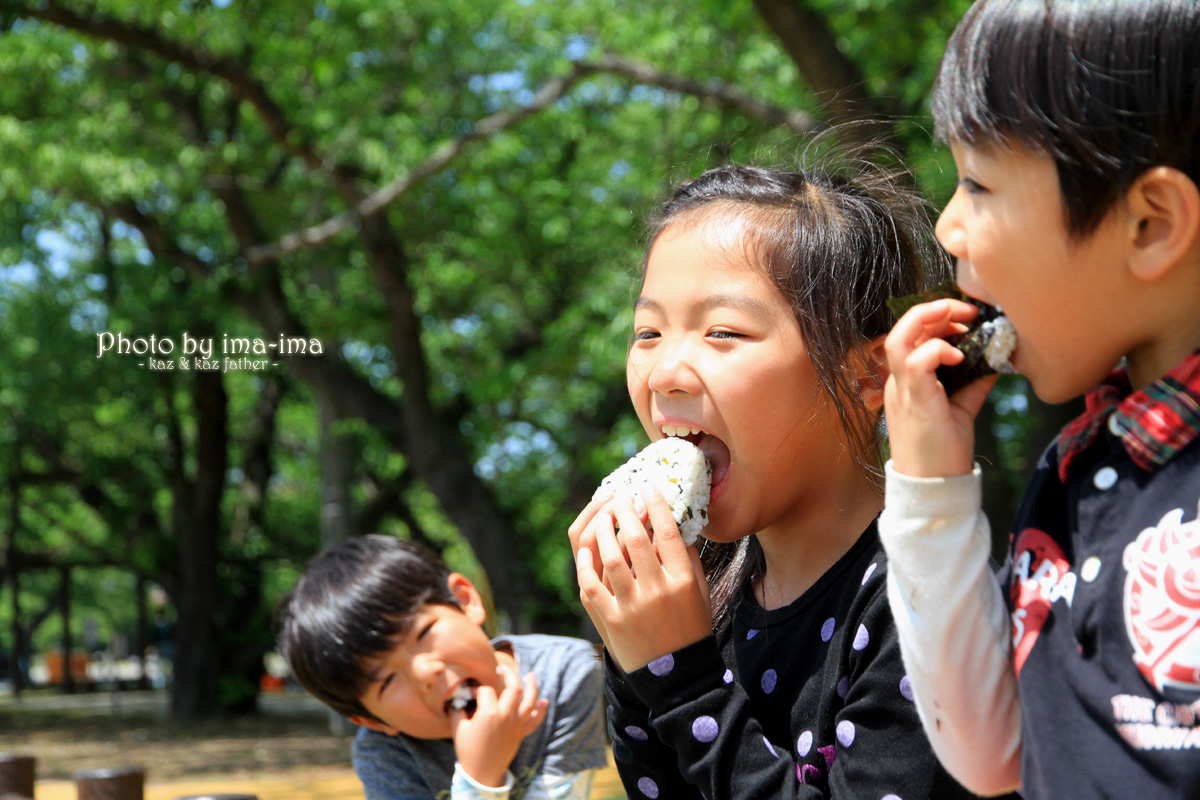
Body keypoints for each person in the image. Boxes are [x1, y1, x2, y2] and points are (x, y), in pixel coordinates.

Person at [569, 163, 985, 798]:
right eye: (648, 332)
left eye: (723, 332)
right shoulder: (693, 597)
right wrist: (639, 660)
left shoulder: (924, 601)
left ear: (867, 377)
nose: (664, 374)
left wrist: (683, 681)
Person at [879, 1, 1200, 797]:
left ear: (1150, 225)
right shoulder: (1077, 468)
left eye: (978, 183)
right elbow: (990, 756)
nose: (949, 227)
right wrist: (931, 487)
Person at [277, 535, 608, 800]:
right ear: (373, 721)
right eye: (388, 680)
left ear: (466, 601)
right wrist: (481, 778)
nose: (425, 672)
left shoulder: (565, 672)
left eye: (423, 633)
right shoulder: (385, 755)